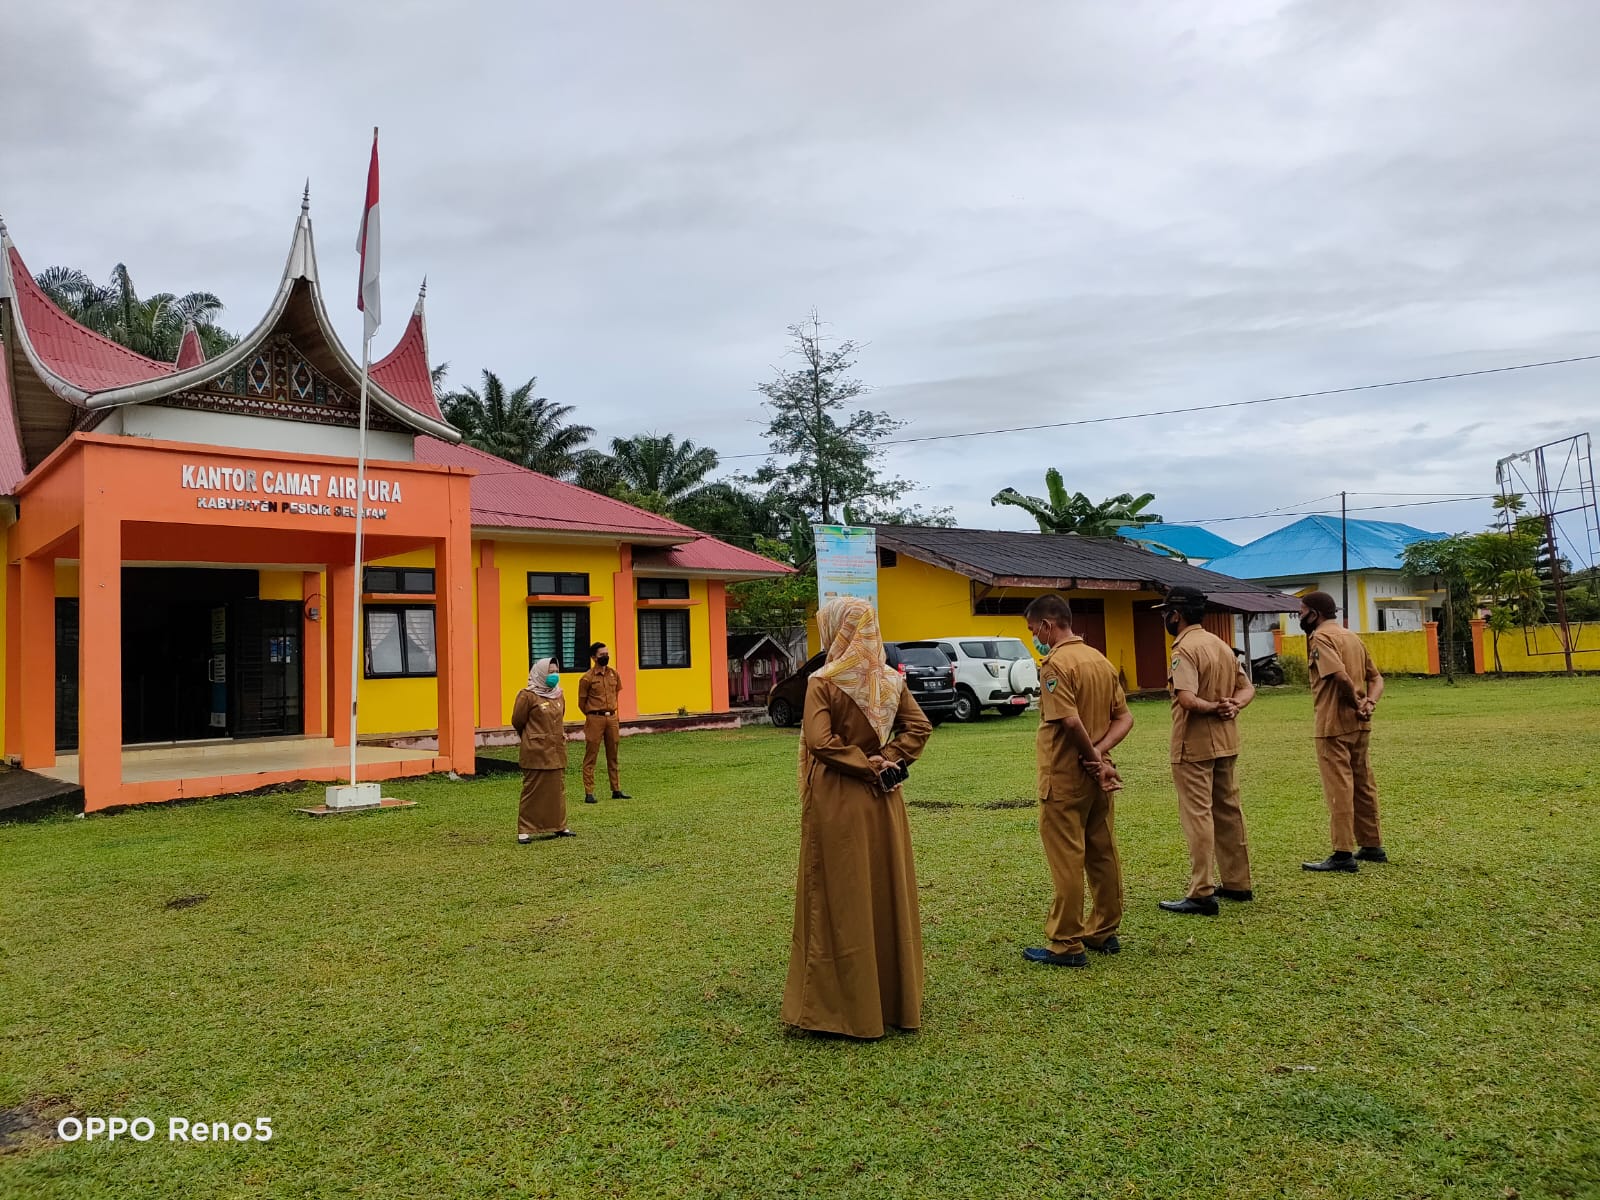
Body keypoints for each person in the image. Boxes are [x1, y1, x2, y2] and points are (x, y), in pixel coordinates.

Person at [782, 596, 933, 1039]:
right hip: (884, 801)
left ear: (837, 630)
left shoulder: (823, 681)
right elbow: (918, 728)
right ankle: (891, 1001)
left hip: (839, 797)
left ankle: (836, 1008)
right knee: (883, 887)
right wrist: (886, 758)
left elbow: (820, 741)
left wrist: (865, 764)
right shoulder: (888, 678)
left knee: (837, 893)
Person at [1022, 594, 1133, 966]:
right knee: (1102, 850)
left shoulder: (1056, 664)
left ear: (1048, 626)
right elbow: (1125, 718)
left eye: (1034, 629)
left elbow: (1069, 721)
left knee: (1067, 856)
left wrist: (1090, 757)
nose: (1035, 636)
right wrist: (1101, 756)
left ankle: (1066, 942)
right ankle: (1104, 929)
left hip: (1067, 775)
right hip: (1097, 776)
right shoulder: (1098, 660)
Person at [1156, 586, 1256, 916]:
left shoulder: (1184, 649)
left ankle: (1201, 891)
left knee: (1198, 815)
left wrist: (1215, 707)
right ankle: (1238, 882)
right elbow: (1247, 689)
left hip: (1193, 743)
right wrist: (1232, 706)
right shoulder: (1220, 645)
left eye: (1166, 612)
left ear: (1176, 614)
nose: (1165, 618)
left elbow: (1186, 698)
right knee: (1229, 810)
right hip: (1226, 740)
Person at [1298, 591, 1387, 872]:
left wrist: (1356, 702)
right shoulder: (1352, 637)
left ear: (1314, 613)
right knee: (1363, 783)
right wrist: (1369, 703)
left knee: (1339, 787)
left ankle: (1342, 853)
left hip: (1333, 724)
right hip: (1360, 724)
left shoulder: (1321, 638)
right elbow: (1376, 678)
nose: (1299, 617)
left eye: (1301, 611)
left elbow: (1338, 676)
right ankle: (1372, 844)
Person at [510, 658, 576, 843]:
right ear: (540, 673)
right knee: (533, 789)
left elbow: (560, 717)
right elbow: (518, 721)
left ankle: (559, 825)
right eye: (550, 672)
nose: (553, 675)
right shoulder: (527, 695)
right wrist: (534, 735)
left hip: (556, 749)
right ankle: (525, 829)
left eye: (556, 671)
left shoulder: (559, 694)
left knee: (557, 789)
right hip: (536, 750)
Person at [578, 641, 629, 805]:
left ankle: (616, 789)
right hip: (595, 718)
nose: (605, 657)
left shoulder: (614, 674)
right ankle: (589, 792)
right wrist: (593, 714)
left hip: (612, 717)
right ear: (594, 657)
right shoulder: (587, 678)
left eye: (607, 654)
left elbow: (616, 694)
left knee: (613, 754)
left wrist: (611, 712)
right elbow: (581, 703)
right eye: (602, 655)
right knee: (591, 755)